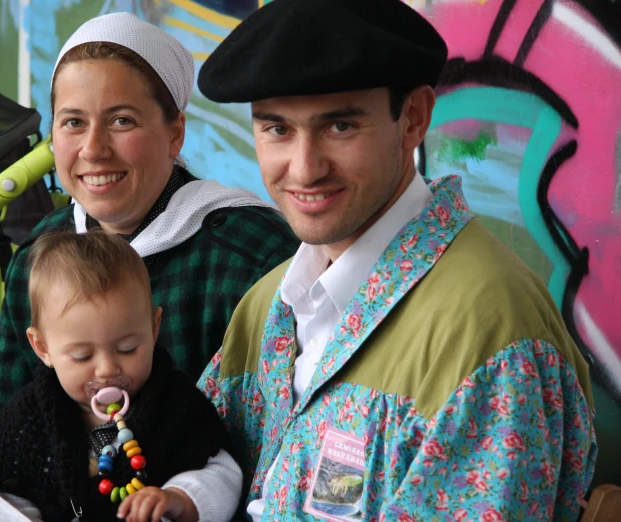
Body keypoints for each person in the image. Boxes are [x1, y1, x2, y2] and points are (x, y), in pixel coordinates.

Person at [196, 0, 597, 520]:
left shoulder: (489, 333)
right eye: (277, 129)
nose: (304, 167)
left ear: (412, 119)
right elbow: (184, 456)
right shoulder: (267, 305)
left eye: (339, 127)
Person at [0, 12, 299, 465]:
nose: (93, 149)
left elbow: (286, 452)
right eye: (73, 122)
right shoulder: (41, 255)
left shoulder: (253, 256)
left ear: (174, 131)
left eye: (121, 121)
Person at [0, 229, 242, 522]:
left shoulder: (176, 404)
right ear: (43, 348)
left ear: (154, 329)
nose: (107, 369)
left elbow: (222, 472)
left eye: (127, 349)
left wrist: (179, 498)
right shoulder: (27, 419)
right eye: (82, 356)